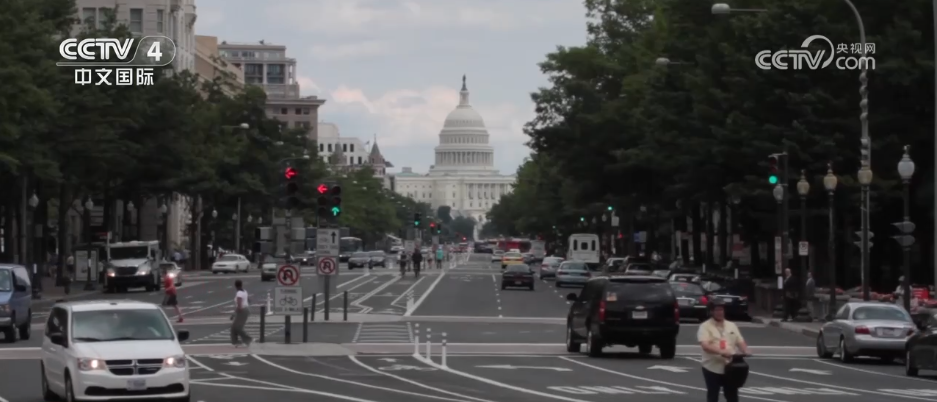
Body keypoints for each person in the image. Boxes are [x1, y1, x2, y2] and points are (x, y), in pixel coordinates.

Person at [698, 299, 751, 402]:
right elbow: (705, 345)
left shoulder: (731, 325)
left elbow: (740, 341)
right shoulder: (705, 327)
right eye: (717, 310)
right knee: (713, 395)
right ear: (711, 312)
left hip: (730, 367)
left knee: (732, 395)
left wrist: (745, 350)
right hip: (712, 367)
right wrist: (721, 352)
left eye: (721, 310)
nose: (720, 312)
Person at [230, 280, 252, 347]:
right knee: (234, 327)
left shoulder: (239, 293)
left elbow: (239, 305)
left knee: (237, 327)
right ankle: (236, 342)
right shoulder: (244, 291)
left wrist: (234, 314)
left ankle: (247, 339)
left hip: (242, 311)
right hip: (246, 309)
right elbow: (249, 300)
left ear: (235, 286)